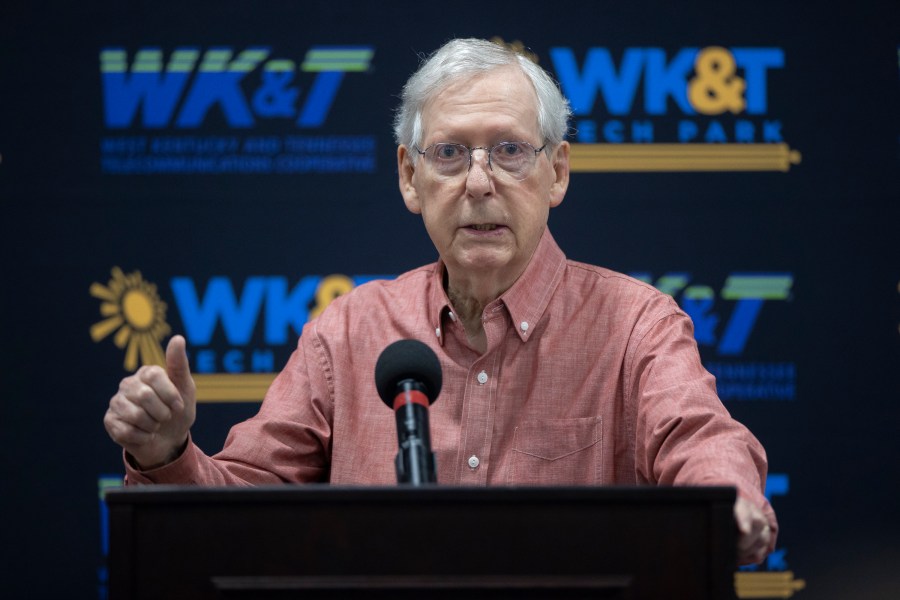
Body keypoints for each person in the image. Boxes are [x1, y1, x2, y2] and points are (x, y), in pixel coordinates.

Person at [104, 38, 777, 565]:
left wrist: (729, 505)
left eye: (510, 151)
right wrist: (168, 455)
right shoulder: (350, 331)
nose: (479, 183)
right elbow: (239, 512)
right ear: (409, 177)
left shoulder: (635, 325)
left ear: (558, 172)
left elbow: (700, 439)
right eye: (451, 153)